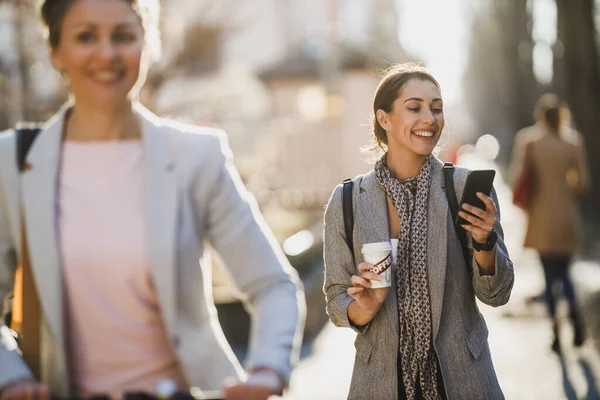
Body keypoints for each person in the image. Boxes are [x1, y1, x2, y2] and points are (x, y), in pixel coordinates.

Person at [0, 1, 305, 399]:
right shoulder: (13, 161)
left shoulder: (197, 156)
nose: (107, 54)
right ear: (55, 50)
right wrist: (12, 375)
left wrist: (267, 370)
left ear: (149, 43)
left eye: (124, 36)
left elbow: (273, 284)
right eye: (86, 36)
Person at [323, 63, 514, 400]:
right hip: (381, 384)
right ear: (384, 119)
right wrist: (365, 306)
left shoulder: (463, 188)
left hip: (462, 380)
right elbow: (337, 301)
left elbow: (496, 295)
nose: (430, 118)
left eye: (436, 108)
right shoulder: (348, 201)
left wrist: (486, 241)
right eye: (415, 107)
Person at [510, 94, 589, 353]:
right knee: (565, 273)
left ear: (540, 117)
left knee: (548, 275)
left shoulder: (529, 141)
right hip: (566, 215)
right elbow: (581, 183)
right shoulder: (573, 142)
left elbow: (518, 176)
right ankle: (576, 321)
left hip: (540, 216)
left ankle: (556, 334)